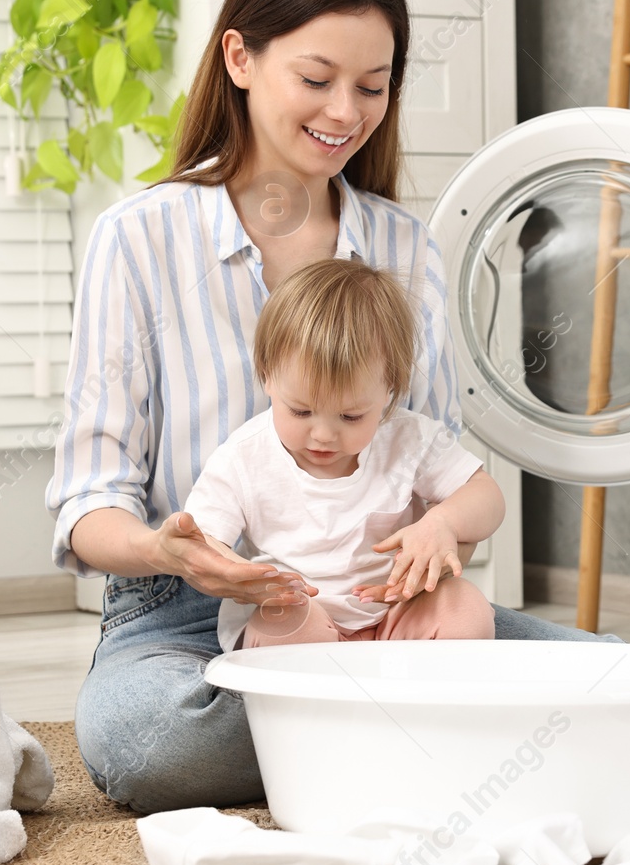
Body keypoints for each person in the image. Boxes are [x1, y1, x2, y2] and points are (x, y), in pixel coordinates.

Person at [47, 0, 621, 815]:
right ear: (240, 58)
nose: (345, 112)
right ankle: (450, 734)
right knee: (148, 742)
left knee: (620, 683)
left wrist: (438, 556)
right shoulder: (140, 239)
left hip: (386, 614)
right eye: (316, 80)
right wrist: (173, 551)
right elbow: (90, 503)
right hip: (182, 622)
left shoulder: (404, 248)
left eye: (372, 86)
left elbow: (441, 481)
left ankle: (364, 733)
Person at [185, 257, 501, 650]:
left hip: (397, 612)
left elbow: (487, 496)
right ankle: (317, 704)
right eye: (300, 411)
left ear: (389, 391)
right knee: (290, 623)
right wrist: (242, 574)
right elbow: (200, 543)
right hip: (297, 613)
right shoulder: (243, 457)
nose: (322, 435)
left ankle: (422, 701)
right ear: (267, 376)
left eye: (351, 416)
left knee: (466, 608)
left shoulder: (409, 439)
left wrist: (445, 523)